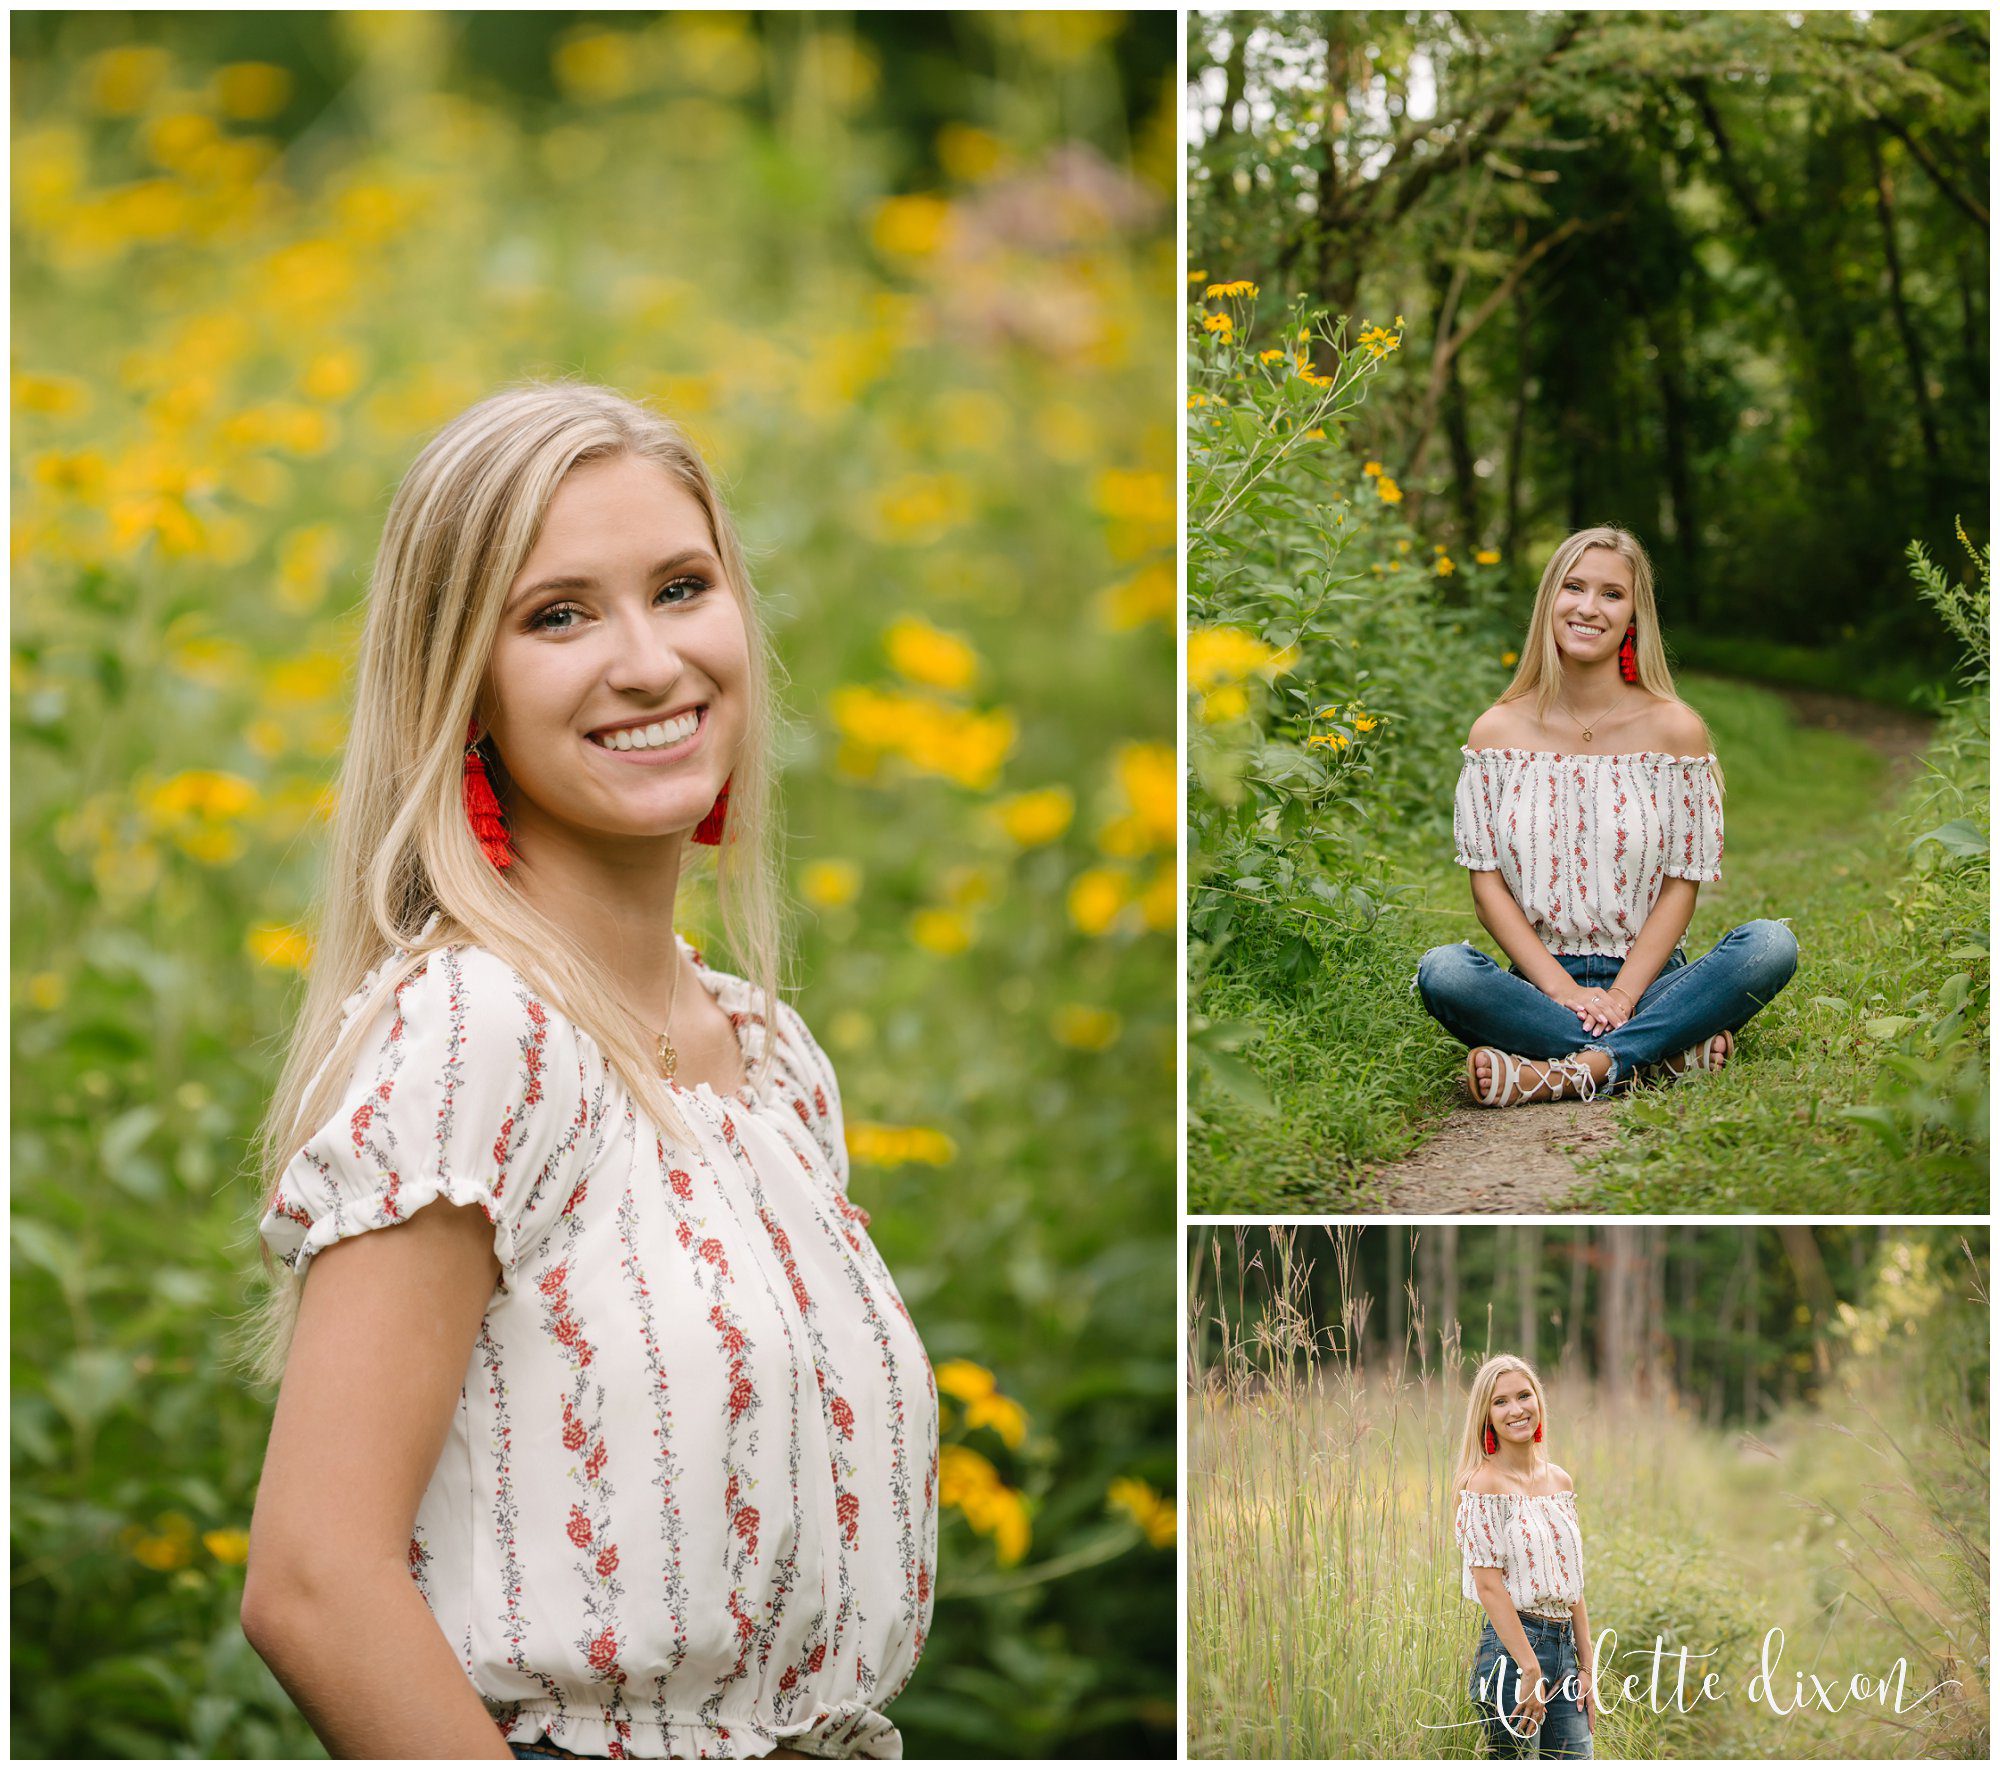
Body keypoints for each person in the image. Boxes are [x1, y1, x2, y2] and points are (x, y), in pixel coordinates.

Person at [238, 382, 938, 1760]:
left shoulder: (769, 1059)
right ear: (464, 687)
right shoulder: (479, 1031)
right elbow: (315, 1584)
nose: (648, 660)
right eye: (558, 614)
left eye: (682, 587)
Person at [1414, 526, 1798, 1106]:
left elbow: (1680, 886)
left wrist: (1622, 996)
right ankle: (1662, 1055)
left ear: (1634, 614)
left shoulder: (1675, 731)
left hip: (1655, 981)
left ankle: (1569, 1069)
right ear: (1551, 600)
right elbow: (1487, 888)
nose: (1589, 608)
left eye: (1612, 594)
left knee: (1770, 945)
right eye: (1574, 587)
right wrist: (1564, 989)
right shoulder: (1496, 732)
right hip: (1537, 986)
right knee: (1445, 972)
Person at [1453, 1355, 1593, 1760]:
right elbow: (1488, 1585)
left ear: (1538, 1402)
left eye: (1523, 1395)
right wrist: (1529, 1668)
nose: (1516, 1410)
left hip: (1565, 1650)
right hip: (1511, 1652)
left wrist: (1586, 1667)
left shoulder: (1559, 1481)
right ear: (1487, 1417)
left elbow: (1574, 1583)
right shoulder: (1483, 1484)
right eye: (1500, 1402)